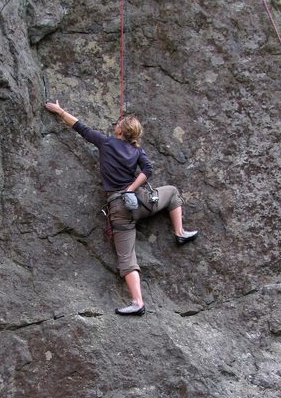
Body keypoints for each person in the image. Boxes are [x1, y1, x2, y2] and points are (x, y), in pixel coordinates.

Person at [44, 100, 198, 316]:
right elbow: (148, 169)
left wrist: (60, 111)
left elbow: (80, 127)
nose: (115, 123)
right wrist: (132, 188)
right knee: (172, 192)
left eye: (118, 123)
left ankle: (138, 302)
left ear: (120, 130)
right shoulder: (137, 151)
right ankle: (180, 232)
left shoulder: (106, 143)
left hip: (119, 209)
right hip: (141, 202)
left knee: (126, 257)